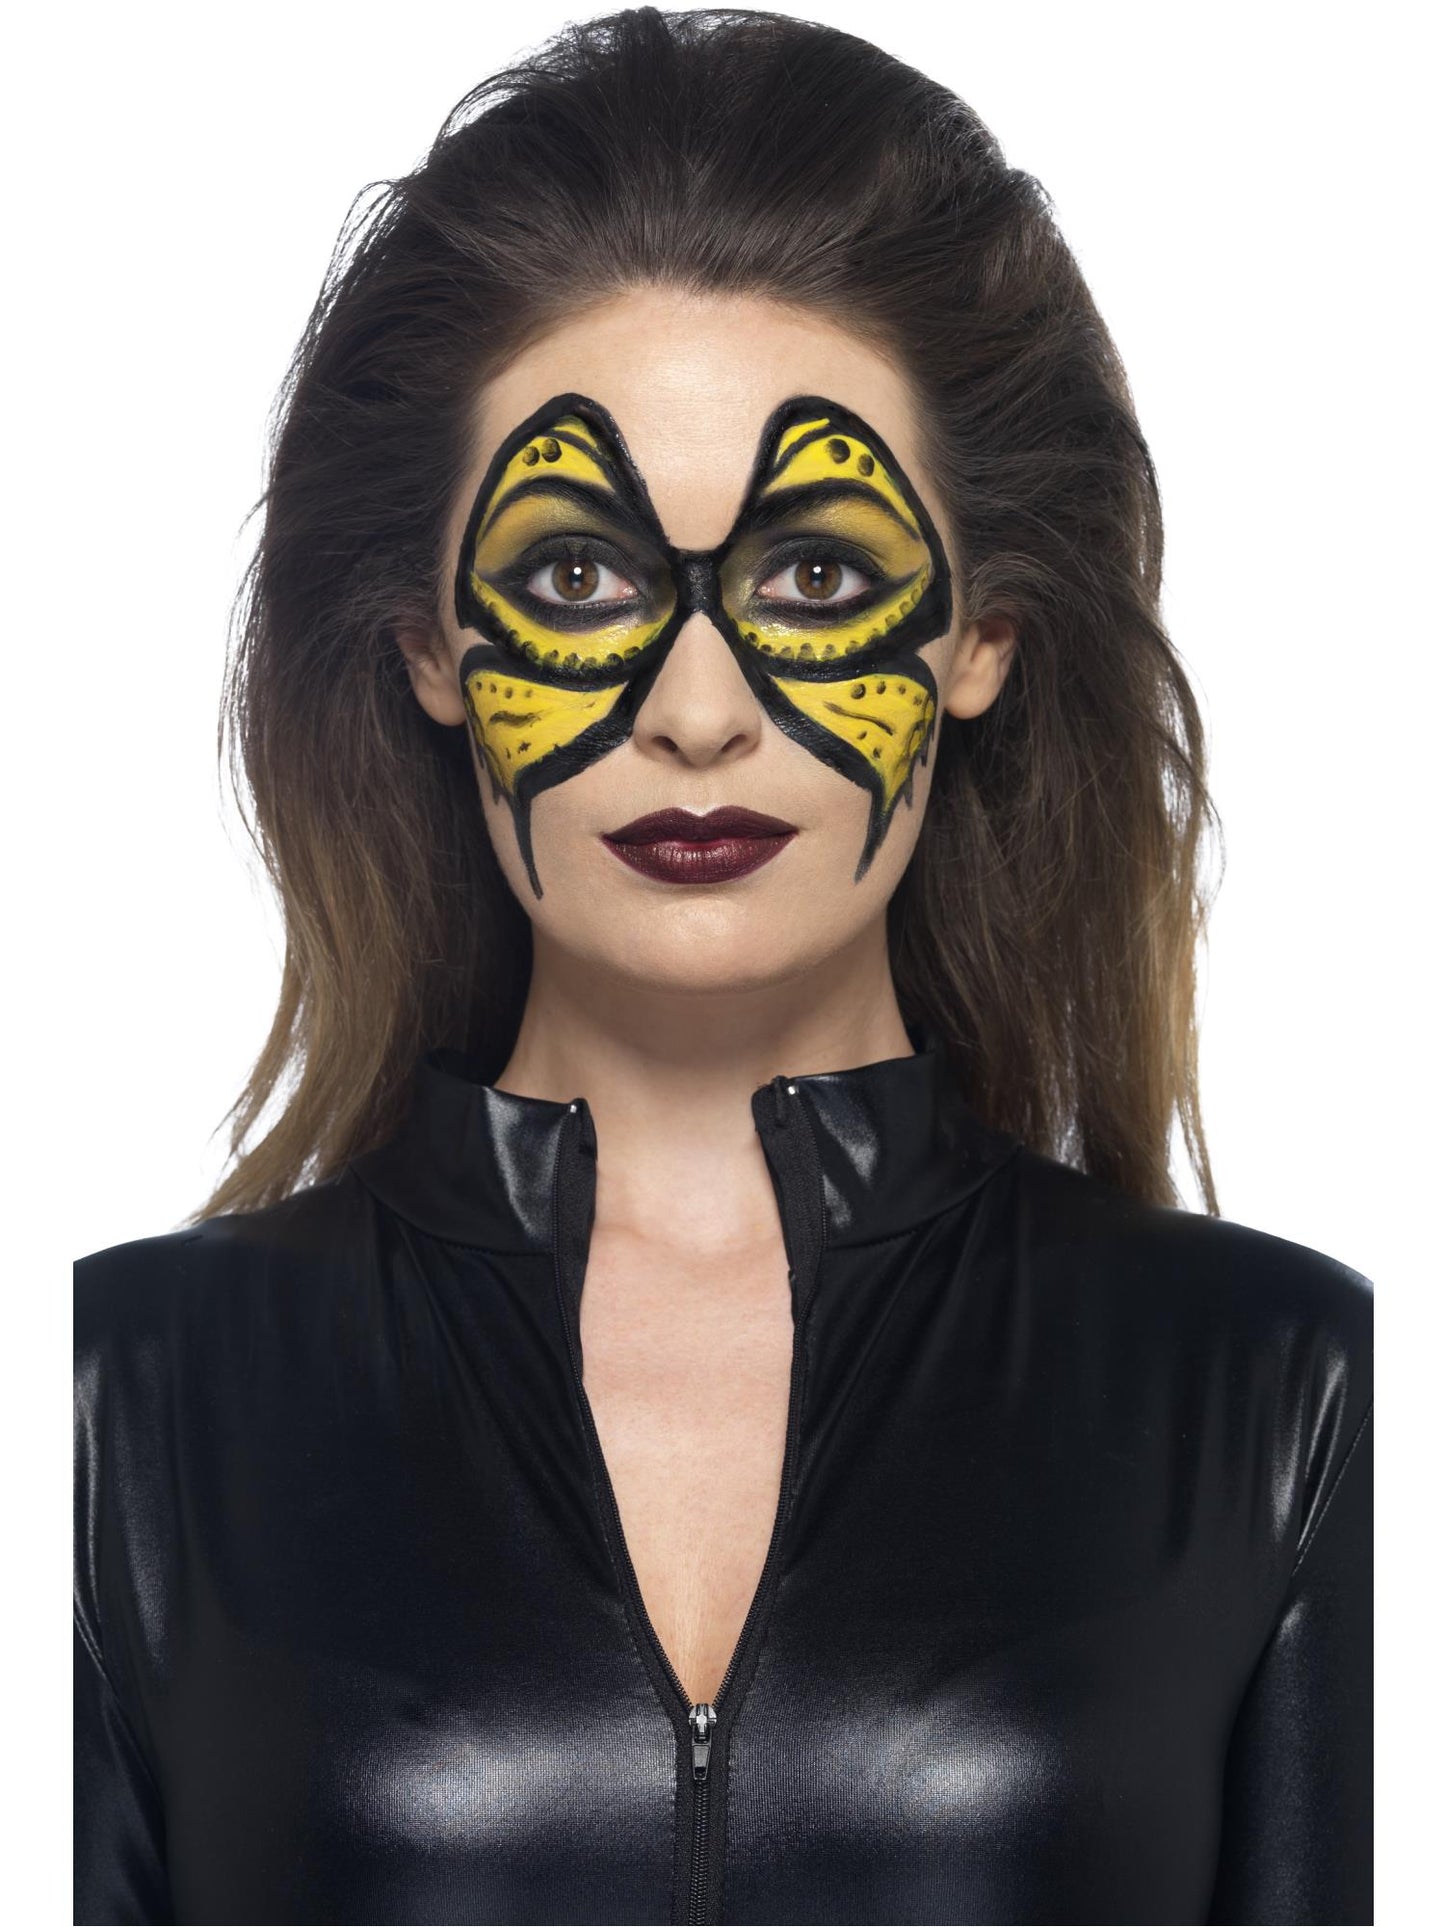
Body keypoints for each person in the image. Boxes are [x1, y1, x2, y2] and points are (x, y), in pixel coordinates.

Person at [73, 9, 1373, 1924]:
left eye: (817, 577)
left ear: (981, 636)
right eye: (578, 578)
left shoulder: (1273, 1384)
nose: (697, 712)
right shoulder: (121, 1396)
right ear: (431, 647)